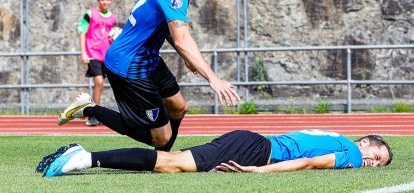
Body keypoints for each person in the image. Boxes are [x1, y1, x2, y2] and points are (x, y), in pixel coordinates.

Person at [57, 0, 240, 150]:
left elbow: (166, 26)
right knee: (160, 136)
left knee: (179, 108)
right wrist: (213, 79)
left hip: (148, 57)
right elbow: (182, 39)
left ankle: (165, 158)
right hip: (129, 63)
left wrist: (187, 57)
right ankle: (89, 109)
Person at [36, 129, 393, 177]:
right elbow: (312, 162)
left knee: (170, 164)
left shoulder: (338, 139)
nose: (373, 162)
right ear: (364, 142)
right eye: (376, 154)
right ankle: (85, 157)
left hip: (253, 143)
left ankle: (86, 155)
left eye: (379, 163)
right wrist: (260, 172)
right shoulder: (349, 151)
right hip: (256, 149)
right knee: (172, 164)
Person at [78, 0, 118, 126]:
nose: (105, 2)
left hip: (107, 56)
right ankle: (93, 114)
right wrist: (84, 53)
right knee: (99, 82)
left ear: (111, 0)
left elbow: (115, 36)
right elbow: (82, 32)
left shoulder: (113, 18)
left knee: (101, 85)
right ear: (98, 0)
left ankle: (95, 113)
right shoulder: (90, 14)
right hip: (93, 54)